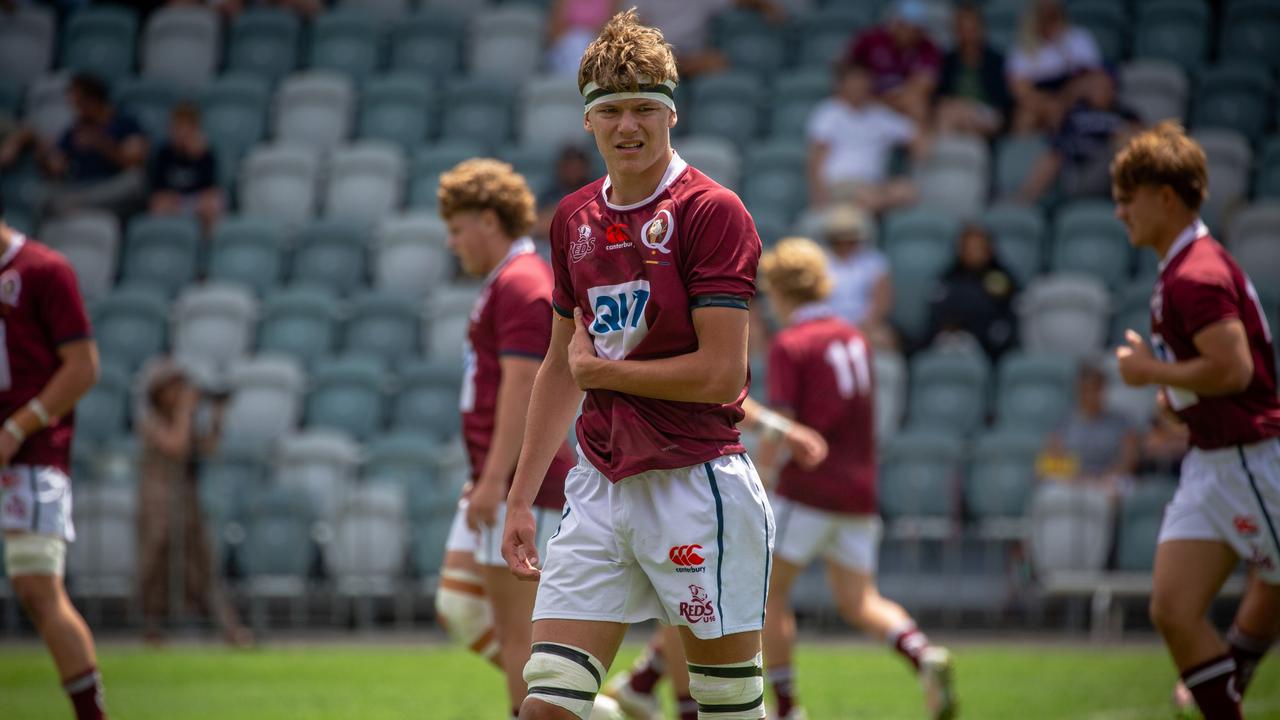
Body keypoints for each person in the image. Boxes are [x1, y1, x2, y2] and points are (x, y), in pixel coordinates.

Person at [501, 11, 772, 719]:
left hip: (696, 483)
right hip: (599, 485)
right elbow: (562, 367)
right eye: (611, 110)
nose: (629, 126)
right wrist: (522, 495)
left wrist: (609, 376)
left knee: (724, 706)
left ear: (672, 114)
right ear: (588, 122)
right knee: (547, 706)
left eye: (645, 109)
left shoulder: (713, 211)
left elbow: (719, 373)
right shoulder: (572, 218)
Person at [1112, 122, 1280, 720]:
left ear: (1166, 195)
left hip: (1251, 458)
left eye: (1128, 197)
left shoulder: (1196, 274)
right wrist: (1176, 397)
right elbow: (1214, 372)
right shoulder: (1182, 267)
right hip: (1212, 460)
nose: (1119, 211)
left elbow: (1233, 371)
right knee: (1172, 608)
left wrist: (1150, 375)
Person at [754, 236, 956, 720]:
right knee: (859, 599)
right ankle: (922, 654)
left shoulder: (791, 343)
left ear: (779, 292)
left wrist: (759, 475)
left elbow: (782, 424)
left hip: (807, 490)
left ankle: (785, 707)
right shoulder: (853, 335)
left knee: (765, 596)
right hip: (860, 491)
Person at [434, 158, 578, 720]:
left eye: (457, 227)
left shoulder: (522, 284)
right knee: (461, 607)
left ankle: (564, 705)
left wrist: (497, 480)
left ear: (489, 221)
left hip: (524, 482)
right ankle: (589, 706)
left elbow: (523, 388)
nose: (452, 243)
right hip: (504, 476)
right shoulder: (510, 280)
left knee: (521, 639)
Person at [0, 198, 107, 719]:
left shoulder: (44, 270)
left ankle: (93, 715)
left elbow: (84, 366)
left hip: (31, 458)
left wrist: (17, 427)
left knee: (37, 588)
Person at [135, 358, 250, 647]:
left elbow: (206, 448)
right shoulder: (151, 421)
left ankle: (228, 627)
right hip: (158, 497)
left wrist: (216, 415)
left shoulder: (184, 421)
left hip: (186, 496)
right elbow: (175, 446)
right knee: (155, 561)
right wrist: (186, 410)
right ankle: (151, 626)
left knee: (202, 561)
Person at [0, 73, 148, 221]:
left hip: (110, 185)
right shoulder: (75, 129)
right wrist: (42, 152)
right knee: (44, 195)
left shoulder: (126, 123)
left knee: (136, 181)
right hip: (79, 187)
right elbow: (57, 168)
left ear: (93, 100)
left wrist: (101, 143)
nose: (76, 109)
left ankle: (77, 207)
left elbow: (134, 161)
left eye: (80, 103)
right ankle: (79, 206)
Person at [806, 62, 924, 214]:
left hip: (873, 186)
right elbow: (815, 161)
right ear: (842, 84)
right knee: (866, 197)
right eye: (854, 80)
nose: (859, 85)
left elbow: (918, 142)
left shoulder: (880, 114)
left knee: (907, 190)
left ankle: (871, 205)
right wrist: (819, 198)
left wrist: (913, 107)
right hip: (839, 185)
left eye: (863, 80)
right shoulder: (829, 113)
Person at [1017, 68, 1140, 205]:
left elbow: (1142, 141)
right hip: (1075, 170)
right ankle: (1023, 200)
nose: (1098, 89)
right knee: (1054, 155)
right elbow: (1031, 129)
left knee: (1124, 140)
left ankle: (1132, 202)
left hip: (1107, 168)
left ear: (1113, 88)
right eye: (1094, 84)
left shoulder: (1124, 113)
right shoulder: (1074, 112)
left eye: (1103, 85)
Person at [1037, 361, 1139, 498]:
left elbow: (1129, 459)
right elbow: (1051, 458)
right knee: (1050, 489)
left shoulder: (1120, 421)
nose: (1091, 395)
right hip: (1073, 480)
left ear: (1103, 390)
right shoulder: (1065, 422)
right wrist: (1075, 477)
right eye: (1086, 390)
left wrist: (1105, 477)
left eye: (1096, 389)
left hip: (1107, 479)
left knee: (1120, 487)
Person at [1006, 0, 1103, 134]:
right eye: (1043, 15)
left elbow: (1092, 78)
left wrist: (1063, 101)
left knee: (1096, 87)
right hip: (1040, 100)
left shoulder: (1079, 38)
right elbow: (1020, 89)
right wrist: (1048, 104)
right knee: (1024, 118)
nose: (1048, 21)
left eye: (1052, 15)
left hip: (1074, 96)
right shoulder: (1023, 48)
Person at [925, 223, 1018, 361]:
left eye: (978, 248)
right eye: (969, 248)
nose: (974, 253)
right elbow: (937, 314)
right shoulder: (949, 277)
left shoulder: (1002, 277)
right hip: (953, 341)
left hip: (989, 347)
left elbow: (1006, 315)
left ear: (989, 250)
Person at [845, 0, 941, 125]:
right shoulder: (871, 39)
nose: (910, 32)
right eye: (905, 26)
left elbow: (923, 86)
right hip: (868, 101)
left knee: (918, 106)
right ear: (896, 23)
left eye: (915, 29)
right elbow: (845, 68)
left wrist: (883, 102)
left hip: (899, 105)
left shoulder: (928, 47)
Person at [817, 204, 895, 350]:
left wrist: (865, 326)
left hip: (866, 326)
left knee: (885, 339)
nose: (845, 244)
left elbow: (882, 300)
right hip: (827, 325)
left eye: (850, 239)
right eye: (840, 239)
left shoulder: (874, 261)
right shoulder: (818, 261)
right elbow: (814, 302)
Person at [933, 2, 1012, 138]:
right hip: (956, 111)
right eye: (963, 29)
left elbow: (1002, 100)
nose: (968, 34)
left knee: (950, 113)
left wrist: (970, 107)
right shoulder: (949, 60)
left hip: (988, 113)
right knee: (947, 111)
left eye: (971, 28)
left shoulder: (995, 60)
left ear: (980, 28)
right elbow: (940, 94)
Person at [149, 103, 223, 235]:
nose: (179, 133)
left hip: (197, 200)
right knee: (158, 205)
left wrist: (198, 158)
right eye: (176, 128)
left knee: (213, 203)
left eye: (184, 128)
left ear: (194, 129)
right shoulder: (164, 154)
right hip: (173, 200)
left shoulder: (205, 154)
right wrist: (171, 198)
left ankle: (208, 247)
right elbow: (158, 189)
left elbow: (210, 187)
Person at [536, 145, 595, 244]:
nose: (572, 171)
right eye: (568, 167)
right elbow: (541, 226)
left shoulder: (596, 191)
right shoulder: (549, 194)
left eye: (577, 167)